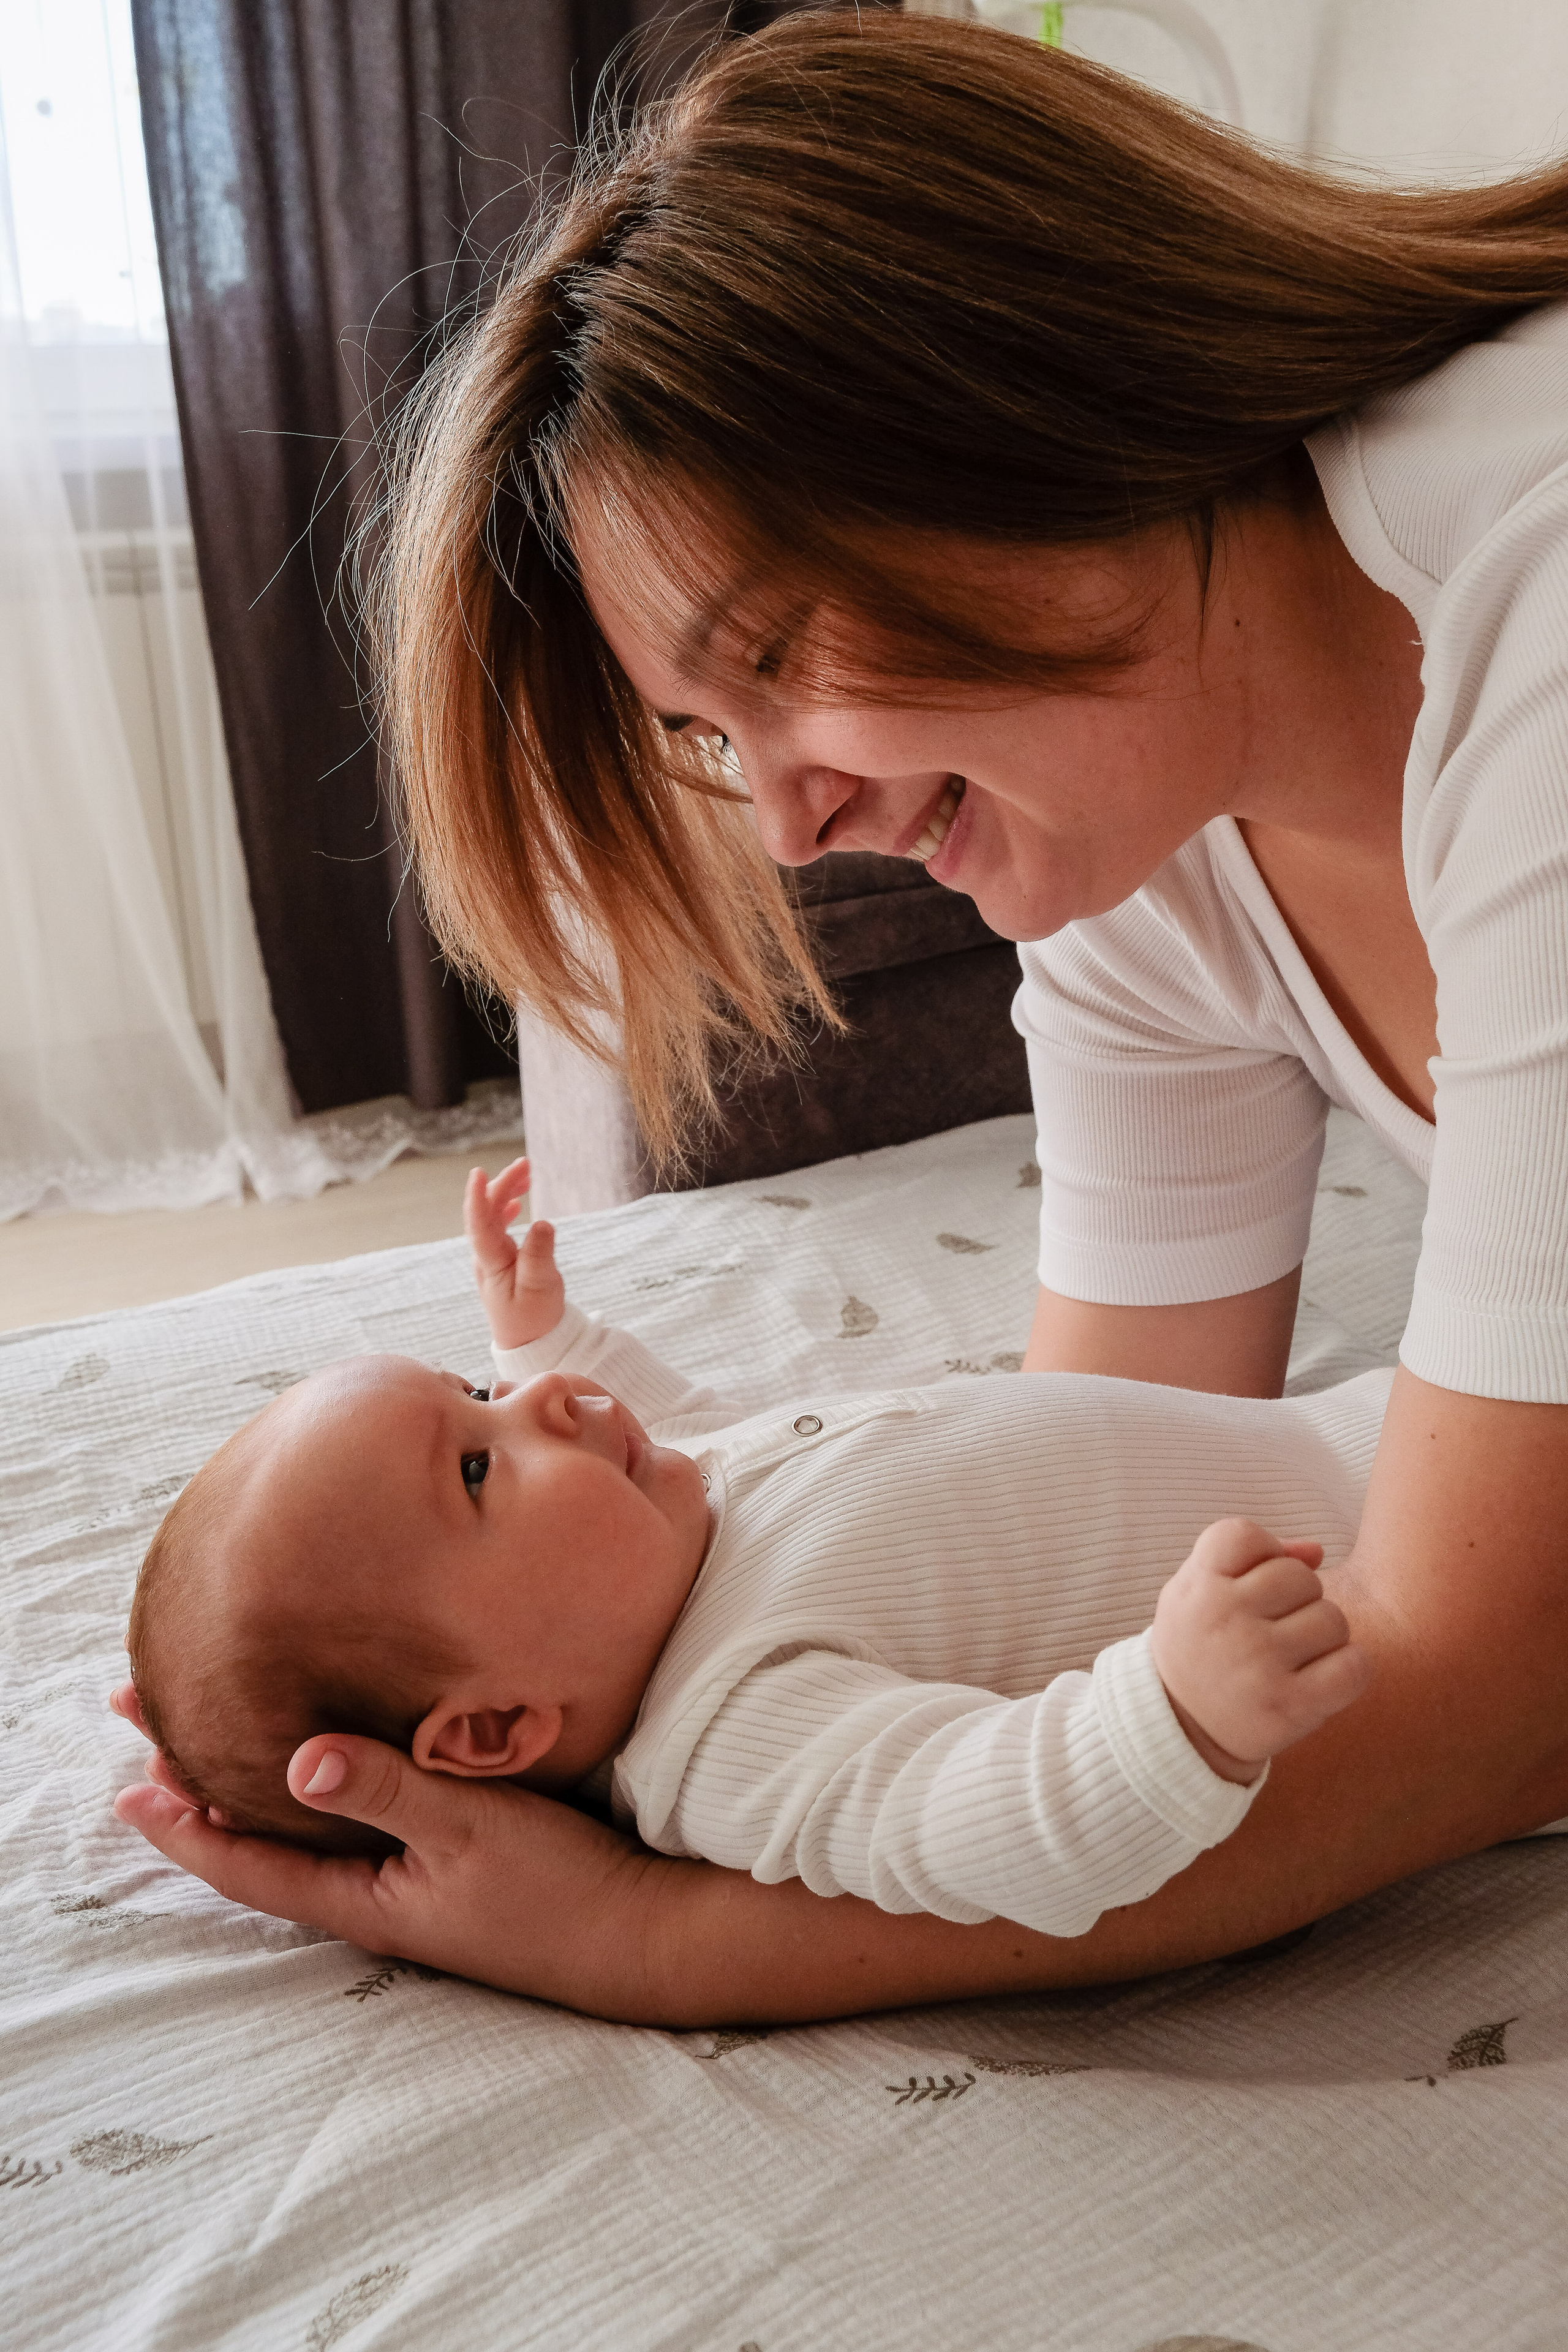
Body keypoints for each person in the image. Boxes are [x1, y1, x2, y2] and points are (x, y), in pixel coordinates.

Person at [114, 12, 1568, 2026]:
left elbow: (1493, 1706)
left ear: (1037, 417)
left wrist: (652, 1940)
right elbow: (1119, 1470)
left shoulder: (1541, 619)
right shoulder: (1142, 817)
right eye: (717, 733)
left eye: (779, 658)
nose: (791, 823)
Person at [123, 1160, 1374, 1946]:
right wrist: (1181, 1714)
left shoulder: (672, 1534)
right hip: (1392, 1568)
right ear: (497, 1730)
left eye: (471, 1393)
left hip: (1370, 1435)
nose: (547, 1401)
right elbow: (975, 1827)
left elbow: (685, 1429)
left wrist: (538, 1341)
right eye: (473, 1465)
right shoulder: (730, 1736)